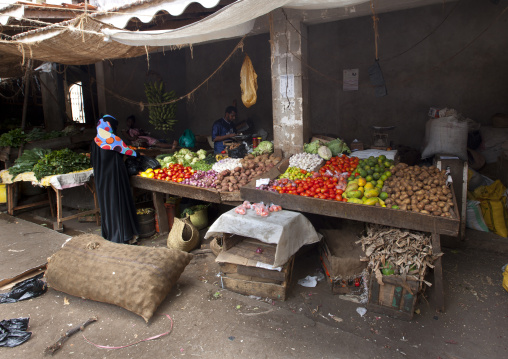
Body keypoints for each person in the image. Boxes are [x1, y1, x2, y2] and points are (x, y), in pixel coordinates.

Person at [91, 114, 140, 244]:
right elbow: (130, 152)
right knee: (119, 202)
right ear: (110, 125)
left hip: (102, 179)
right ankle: (123, 234)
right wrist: (138, 154)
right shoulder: (113, 139)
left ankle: (111, 234)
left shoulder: (95, 141)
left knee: (108, 205)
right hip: (115, 177)